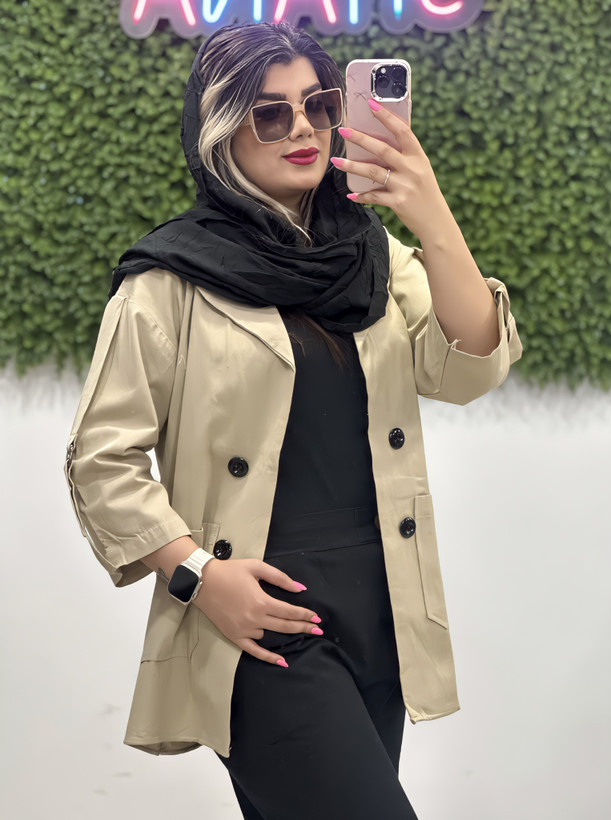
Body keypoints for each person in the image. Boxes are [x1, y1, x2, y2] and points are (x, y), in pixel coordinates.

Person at [64, 21, 522, 820]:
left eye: (317, 104)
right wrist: (198, 577)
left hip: (383, 612)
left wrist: (431, 215)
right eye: (269, 113)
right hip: (259, 623)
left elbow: (469, 366)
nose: (303, 127)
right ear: (219, 132)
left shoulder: (373, 257)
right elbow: (100, 460)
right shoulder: (168, 280)